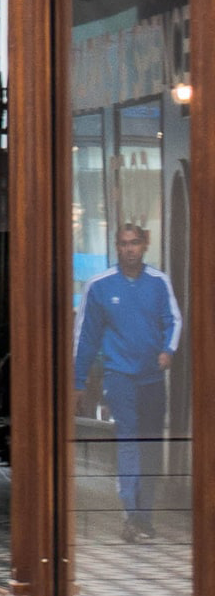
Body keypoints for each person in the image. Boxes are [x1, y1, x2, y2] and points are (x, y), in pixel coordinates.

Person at [74, 221, 182, 543]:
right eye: (123, 243)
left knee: (150, 446)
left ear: (144, 246)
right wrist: (77, 382)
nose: (129, 249)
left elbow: (173, 320)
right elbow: (86, 338)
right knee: (129, 440)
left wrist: (168, 350)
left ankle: (144, 515)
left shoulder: (158, 283)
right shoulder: (100, 286)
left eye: (134, 243)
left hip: (152, 378)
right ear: (116, 247)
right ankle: (131, 514)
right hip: (119, 376)